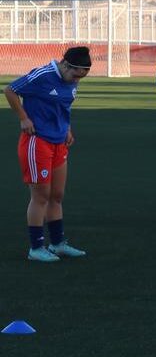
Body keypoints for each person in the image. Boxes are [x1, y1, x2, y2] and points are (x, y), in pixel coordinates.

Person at [4, 47, 92, 261]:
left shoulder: (73, 80)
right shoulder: (42, 75)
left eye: (82, 76)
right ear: (65, 65)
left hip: (59, 142)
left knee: (57, 196)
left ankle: (58, 243)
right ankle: (36, 248)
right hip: (37, 142)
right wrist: (23, 118)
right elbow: (10, 90)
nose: (77, 80)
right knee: (40, 196)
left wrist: (67, 129)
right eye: (75, 74)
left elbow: (64, 106)